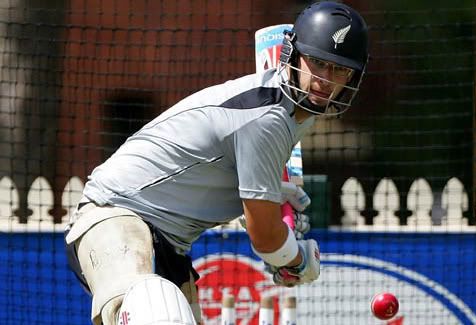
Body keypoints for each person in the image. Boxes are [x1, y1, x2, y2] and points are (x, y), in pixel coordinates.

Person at [64, 1, 369, 325]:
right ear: (294, 55)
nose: (324, 79)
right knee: (155, 309)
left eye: (339, 69)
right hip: (115, 218)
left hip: (168, 244)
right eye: (318, 63)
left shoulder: (296, 111)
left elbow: (249, 201)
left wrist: (271, 209)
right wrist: (295, 257)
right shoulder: (268, 117)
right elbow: (264, 238)